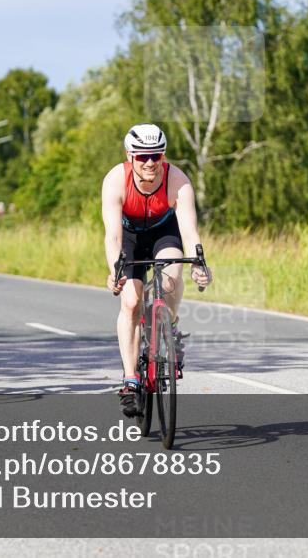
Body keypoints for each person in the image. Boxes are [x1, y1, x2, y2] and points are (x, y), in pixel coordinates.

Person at [101, 123, 211, 416]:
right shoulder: (115, 180)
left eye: (156, 156)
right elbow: (112, 234)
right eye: (142, 157)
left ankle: (170, 327)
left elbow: (189, 231)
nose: (150, 162)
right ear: (130, 156)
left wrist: (199, 264)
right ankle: (130, 379)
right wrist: (115, 270)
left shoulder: (177, 180)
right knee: (132, 301)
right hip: (130, 238)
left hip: (165, 233)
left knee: (172, 279)